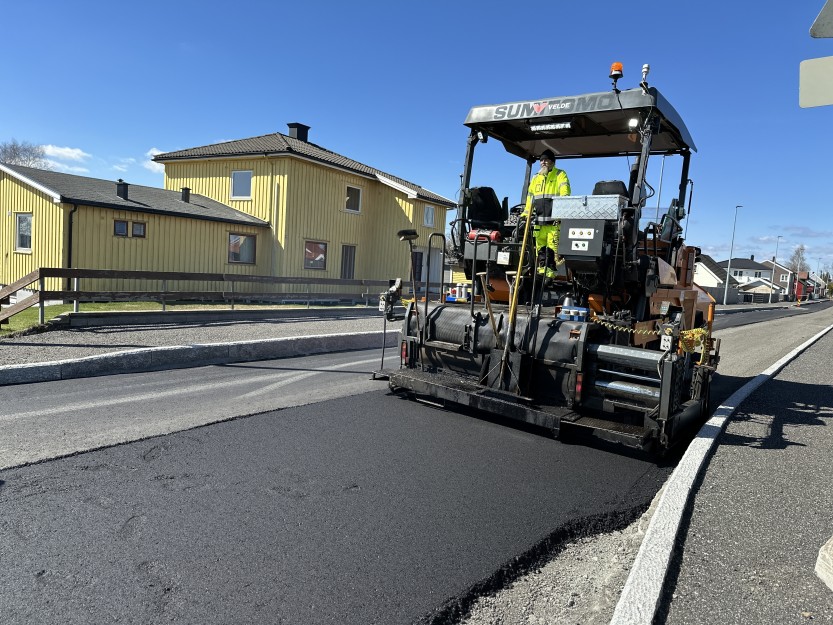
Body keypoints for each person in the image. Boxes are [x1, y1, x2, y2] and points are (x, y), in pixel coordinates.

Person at [521, 149, 571, 280]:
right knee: (541, 249)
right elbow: (530, 198)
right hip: (539, 222)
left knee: (551, 249)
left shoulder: (560, 175)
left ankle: (550, 276)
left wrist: (562, 212)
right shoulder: (535, 178)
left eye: (546, 160)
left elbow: (565, 193)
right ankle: (542, 273)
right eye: (541, 160)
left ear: (552, 162)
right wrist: (526, 214)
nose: (543, 162)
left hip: (554, 221)